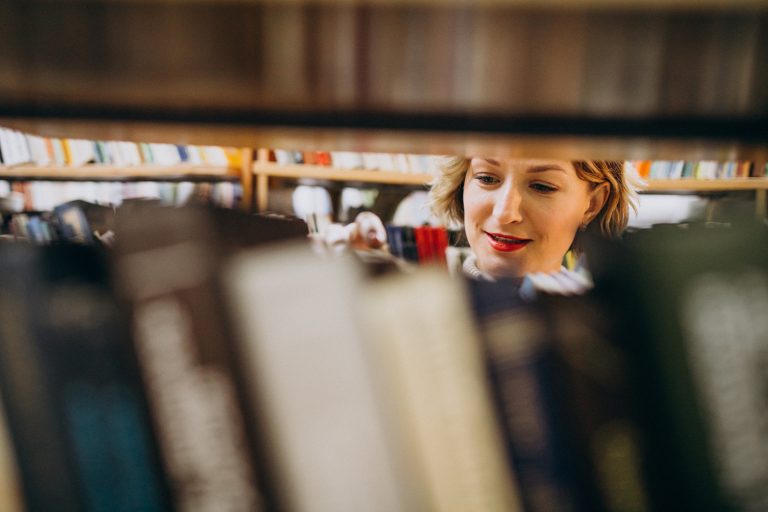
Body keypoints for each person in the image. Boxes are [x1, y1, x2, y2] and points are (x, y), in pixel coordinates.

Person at [429, 156, 638, 293]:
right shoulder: (417, 309)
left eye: (542, 187)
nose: (504, 213)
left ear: (592, 205)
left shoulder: (610, 325)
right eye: (487, 178)